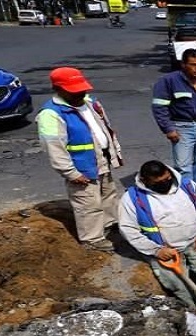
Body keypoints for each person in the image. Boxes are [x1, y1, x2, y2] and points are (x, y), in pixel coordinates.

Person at [118, 160, 196, 315]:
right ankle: (195, 311)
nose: (165, 184)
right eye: (158, 182)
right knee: (178, 285)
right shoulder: (132, 198)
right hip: (165, 251)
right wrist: (156, 250)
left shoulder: (187, 187)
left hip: (194, 242)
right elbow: (128, 229)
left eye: (167, 179)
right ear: (145, 181)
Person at [36, 67, 123, 252]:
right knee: (87, 204)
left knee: (108, 196)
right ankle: (92, 239)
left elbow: (106, 129)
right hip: (81, 168)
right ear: (58, 89)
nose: (80, 92)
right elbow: (54, 148)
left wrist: (115, 154)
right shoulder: (50, 114)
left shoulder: (90, 103)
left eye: (81, 88)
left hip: (102, 160)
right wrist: (70, 173)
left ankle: (110, 224)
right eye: (73, 90)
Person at [152, 49, 196, 188]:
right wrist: (169, 129)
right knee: (183, 166)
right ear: (183, 65)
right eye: (193, 64)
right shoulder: (168, 81)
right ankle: (187, 195)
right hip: (183, 128)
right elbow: (159, 108)